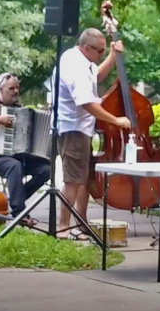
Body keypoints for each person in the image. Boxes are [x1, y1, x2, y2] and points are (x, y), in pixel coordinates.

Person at [57, 27, 131, 240]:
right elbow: (87, 102)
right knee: (72, 180)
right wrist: (116, 120)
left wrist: (112, 56)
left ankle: (81, 223)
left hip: (82, 128)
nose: (100, 54)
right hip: (73, 129)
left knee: (83, 178)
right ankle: (63, 227)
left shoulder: (83, 61)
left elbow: (96, 77)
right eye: (99, 51)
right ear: (86, 47)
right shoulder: (74, 64)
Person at [0, 72, 50, 225]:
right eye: (11, 88)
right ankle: (19, 213)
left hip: (20, 158)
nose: (15, 91)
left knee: (47, 169)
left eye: (17, 88)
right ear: (1, 90)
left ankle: (15, 198)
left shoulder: (21, 110)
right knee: (15, 166)